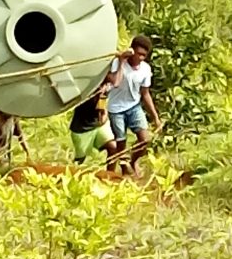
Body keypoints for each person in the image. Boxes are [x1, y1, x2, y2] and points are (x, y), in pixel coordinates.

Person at [107, 34, 163, 177]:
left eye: (144, 55)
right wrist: (121, 60)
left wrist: (155, 117)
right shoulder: (118, 63)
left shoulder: (145, 69)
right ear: (132, 50)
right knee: (120, 142)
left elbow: (145, 93)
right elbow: (115, 82)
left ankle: (133, 161)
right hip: (116, 109)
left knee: (144, 140)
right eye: (138, 54)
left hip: (133, 106)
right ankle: (118, 171)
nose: (140, 58)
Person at [69, 81, 118, 169]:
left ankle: (110, 175)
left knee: (113, 148)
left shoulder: (105, 85)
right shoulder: (81, 87)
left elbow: (103, 102)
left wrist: (105, 114)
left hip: (99, 124)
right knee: (80, 161)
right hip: (82, 128)